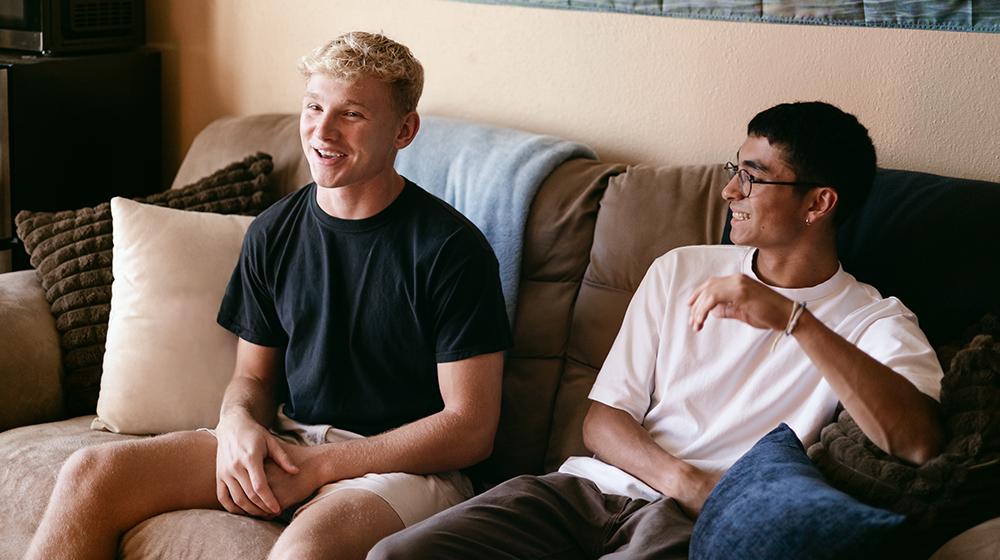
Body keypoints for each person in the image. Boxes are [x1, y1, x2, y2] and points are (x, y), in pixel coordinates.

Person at [369, 101, 945, 559]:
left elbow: (917, 441)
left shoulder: (874, 320)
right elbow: (603, 420)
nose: (729, 192)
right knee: (399, 555)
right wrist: (686, 480)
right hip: (589, 493)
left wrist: (794, 321)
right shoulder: (682, 268)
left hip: (690, 529)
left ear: (818, 203)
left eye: (753, 178)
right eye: (733, 171)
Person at [26, 32, 511, 560]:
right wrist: (237, 424)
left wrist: (322, 468)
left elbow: (471, 428)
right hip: (292, 439)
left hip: (404, 467)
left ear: (404, 130)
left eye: (351, 114)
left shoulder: (451, 250)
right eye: (314, 107)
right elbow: (254, 377)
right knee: (91, 473)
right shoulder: (273, 232)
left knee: (304, 551)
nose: (322, 131)